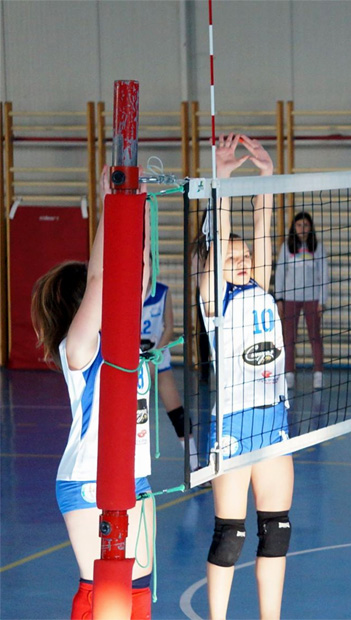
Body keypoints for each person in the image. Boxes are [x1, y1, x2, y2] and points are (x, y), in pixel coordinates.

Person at [30, 167, 155, 619]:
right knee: (104, 594)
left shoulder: (122, 339)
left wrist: (138, 210)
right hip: (88, 479)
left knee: (137, 594)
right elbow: (104, 280)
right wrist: (113, 208)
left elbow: (137, 274)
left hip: (134, 475)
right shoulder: (79, 348)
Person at [193, 134, 293, 620]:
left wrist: (266, 174)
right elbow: (220, 241)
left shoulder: (261, 287)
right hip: (233, 423)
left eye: (246, 256)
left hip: (274, 421)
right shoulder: (215, 300)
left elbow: (263, 224)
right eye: (231, 258)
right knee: (230, 535)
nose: (243, 261)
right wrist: (222, 180)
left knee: (277, 533)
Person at [275, 210, 328, 390]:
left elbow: (324, 275)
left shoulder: (317, 247)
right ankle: (289, 373)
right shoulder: (287, 247)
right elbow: (280, 273)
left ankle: (318, 373)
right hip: (290, 298)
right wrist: (279, 298)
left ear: (310, 227)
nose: (302, 228)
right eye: (299, 225)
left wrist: (322, 300)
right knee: (289, 338)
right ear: (294, 227)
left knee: (315, 336)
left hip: (312, 298)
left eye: (305, 225)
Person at [140, 279, 189, 455]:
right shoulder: (125, 292)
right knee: (135, 414)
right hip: (133, 361)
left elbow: (169, 328)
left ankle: (193, 461)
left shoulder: (162, 291)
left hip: (157, 356)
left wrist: (154, 357)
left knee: (177, 412)